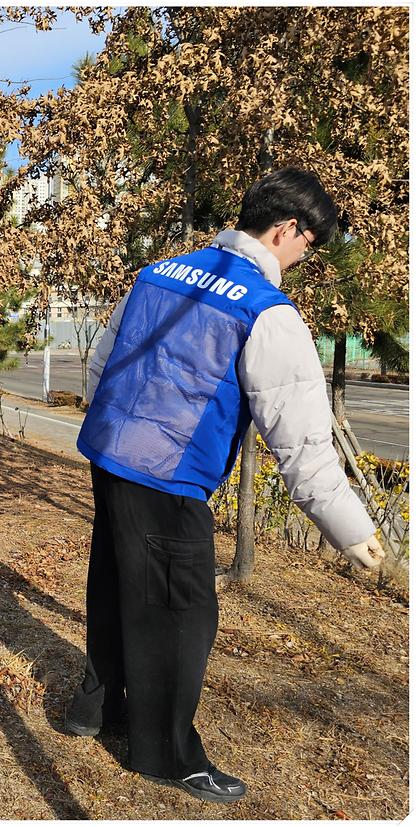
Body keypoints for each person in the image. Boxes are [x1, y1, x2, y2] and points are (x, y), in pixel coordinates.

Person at [66, 168, 385, 803]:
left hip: (111, 455)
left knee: (115, 581)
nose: (304, 257)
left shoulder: (160, 273)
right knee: (181, 615)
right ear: (287, 228)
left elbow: (103, 362)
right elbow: (304, 449)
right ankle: (164, 754)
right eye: (309, 244)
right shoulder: (267, 312)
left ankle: (93, 709)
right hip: (171, 473)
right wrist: (362, 540)